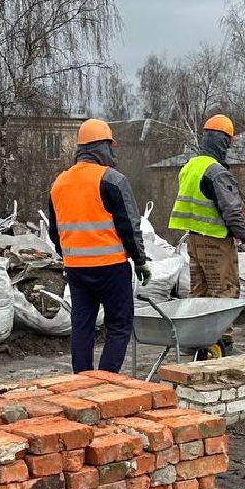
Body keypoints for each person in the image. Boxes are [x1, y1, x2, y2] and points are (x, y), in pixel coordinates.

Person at [47, 118, 149, 373]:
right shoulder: (112, 180)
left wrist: (69, 255)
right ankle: (105, 380)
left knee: (82, 325)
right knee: (119, 324)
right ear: (101, 146)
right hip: (111, 268)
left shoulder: (59, 183)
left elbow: (54, 230)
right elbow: (129, 225)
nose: (113, 152)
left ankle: (82, 381)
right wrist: (140, 260)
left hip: (76, 269)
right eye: (111, 146)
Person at [168, 113, 245, 356]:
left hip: (193, 240)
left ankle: (194, 341)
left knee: (199, 290)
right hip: (215, 239)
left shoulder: (189, 167)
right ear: (224, 141)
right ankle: (222, 344)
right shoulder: (216, 172)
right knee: (224, 290)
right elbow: (231, 211)